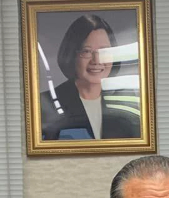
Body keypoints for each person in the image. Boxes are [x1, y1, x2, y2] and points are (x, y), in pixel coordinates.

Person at [40, 14, 140, 142]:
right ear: (71, 55)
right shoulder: (45, 104)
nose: (97, 60)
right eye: (86, 51)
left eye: (104, 51)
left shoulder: (127, 102)